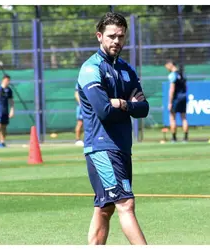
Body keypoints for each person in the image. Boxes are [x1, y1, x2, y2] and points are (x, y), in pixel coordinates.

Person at [77, 12, 149, 245]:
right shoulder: (91, 68)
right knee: (125, 204)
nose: (116, 41)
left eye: (121, 36)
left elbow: (144, 108)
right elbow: (104, 110)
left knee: (105, 207)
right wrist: (128, 105)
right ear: (99, 36)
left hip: (121, 147)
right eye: (111, 36)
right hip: (102, 148)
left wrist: (123, 103)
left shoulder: (126, 69)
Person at [165, 60, 188, 143]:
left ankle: (174, 138)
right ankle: (185, 138)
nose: (167, 68)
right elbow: (185, 87)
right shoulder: (182, 74)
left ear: (170, 64)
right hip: (183, 97)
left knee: (172, 118)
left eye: (167, 66)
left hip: (175, 99)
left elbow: (172, 89)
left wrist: (170, 102)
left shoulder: (172, 75)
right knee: (184, 118)